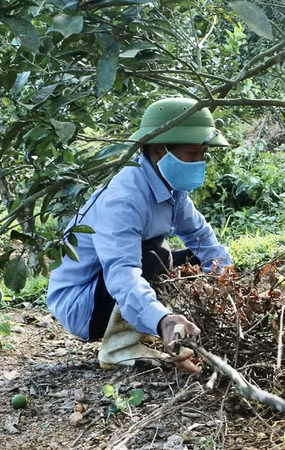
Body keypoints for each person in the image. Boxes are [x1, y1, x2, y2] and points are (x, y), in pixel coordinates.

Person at [47, 97, 232, 374]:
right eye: (193, 154)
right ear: (159, 149)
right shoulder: (123, 198)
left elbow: (202, 238)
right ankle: (119, 346)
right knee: (155, 256)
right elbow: (122, 273)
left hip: (111, 286)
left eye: (202, 155)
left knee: (192, 258)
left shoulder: (171, 188)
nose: (199, 163)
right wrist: (164, 321)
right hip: (84, 303)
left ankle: (144, 322)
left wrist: (227, 283)